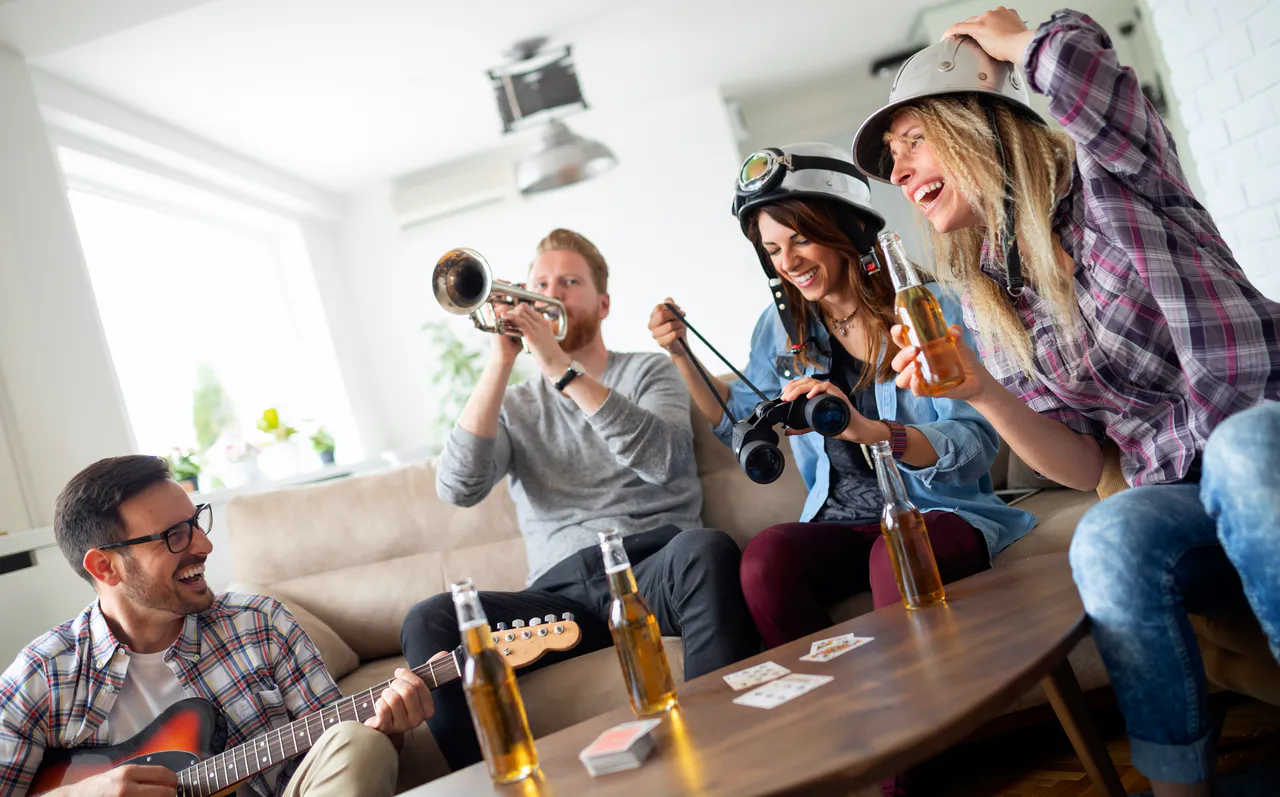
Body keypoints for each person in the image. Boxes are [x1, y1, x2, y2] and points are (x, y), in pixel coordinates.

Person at [853, 8, 1280, 796]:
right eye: (891, 158)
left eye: (913, 138)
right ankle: (1179, 787)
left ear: (974, 122)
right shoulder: (987, 296)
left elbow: (1093, 74)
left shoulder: (1109, 176)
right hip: (1178, 491)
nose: (900, 169)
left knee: (1244, 451)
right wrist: (975, 389)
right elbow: (1083, 464)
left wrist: (1011, 41)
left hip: (1265, 439)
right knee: (1107, 532)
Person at [648, 142, 1034, 652]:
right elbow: (736, 416)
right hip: (840, 521)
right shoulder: (782, 328)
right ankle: (836, 710)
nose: (787, 262)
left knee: (894, 554)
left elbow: (974, 446)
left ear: (846, 229)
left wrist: (867, 431)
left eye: (801, 239)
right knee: (765, 559)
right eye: (773, 250)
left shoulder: (929, 309)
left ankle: (931, 712)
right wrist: (680, 354)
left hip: (939, 514)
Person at [401, 228, 759, 773]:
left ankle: (724, 761)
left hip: (650, 569)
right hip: (559, 592)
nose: (553, 293)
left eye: (569, 282)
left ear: (603, 303)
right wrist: (500, 363)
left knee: (709, 550)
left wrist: (558, 367)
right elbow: (458, 487)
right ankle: (494, 782)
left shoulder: (648, 370)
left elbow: (661, 461)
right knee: (428, 620)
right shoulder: (517, 402)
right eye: (541, 283)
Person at [0, 455, 432, 797]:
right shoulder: (44, 673)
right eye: (175, 536)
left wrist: (387, 733)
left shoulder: (262, 625)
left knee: (360, 745)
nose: (204, 546)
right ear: (105, 567)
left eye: (196, 522)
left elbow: (336, 757)